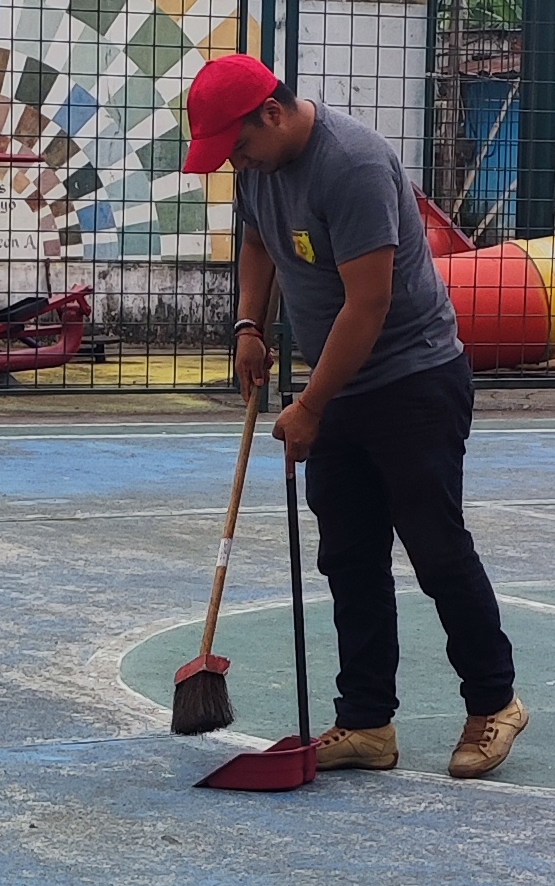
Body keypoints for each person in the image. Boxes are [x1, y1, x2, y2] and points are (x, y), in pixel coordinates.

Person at [183, 50, 527, 780]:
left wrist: (310, 406)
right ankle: (368, 722)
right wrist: (249, 326)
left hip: (413, 381)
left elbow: (368, 305)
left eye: (239, 147)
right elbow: (257, 242)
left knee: (435, 548)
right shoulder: (260, 167)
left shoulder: (355, 166)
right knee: (349, 555)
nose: (237, 163)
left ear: (272, 113)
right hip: (337, 384)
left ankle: (494, 702)